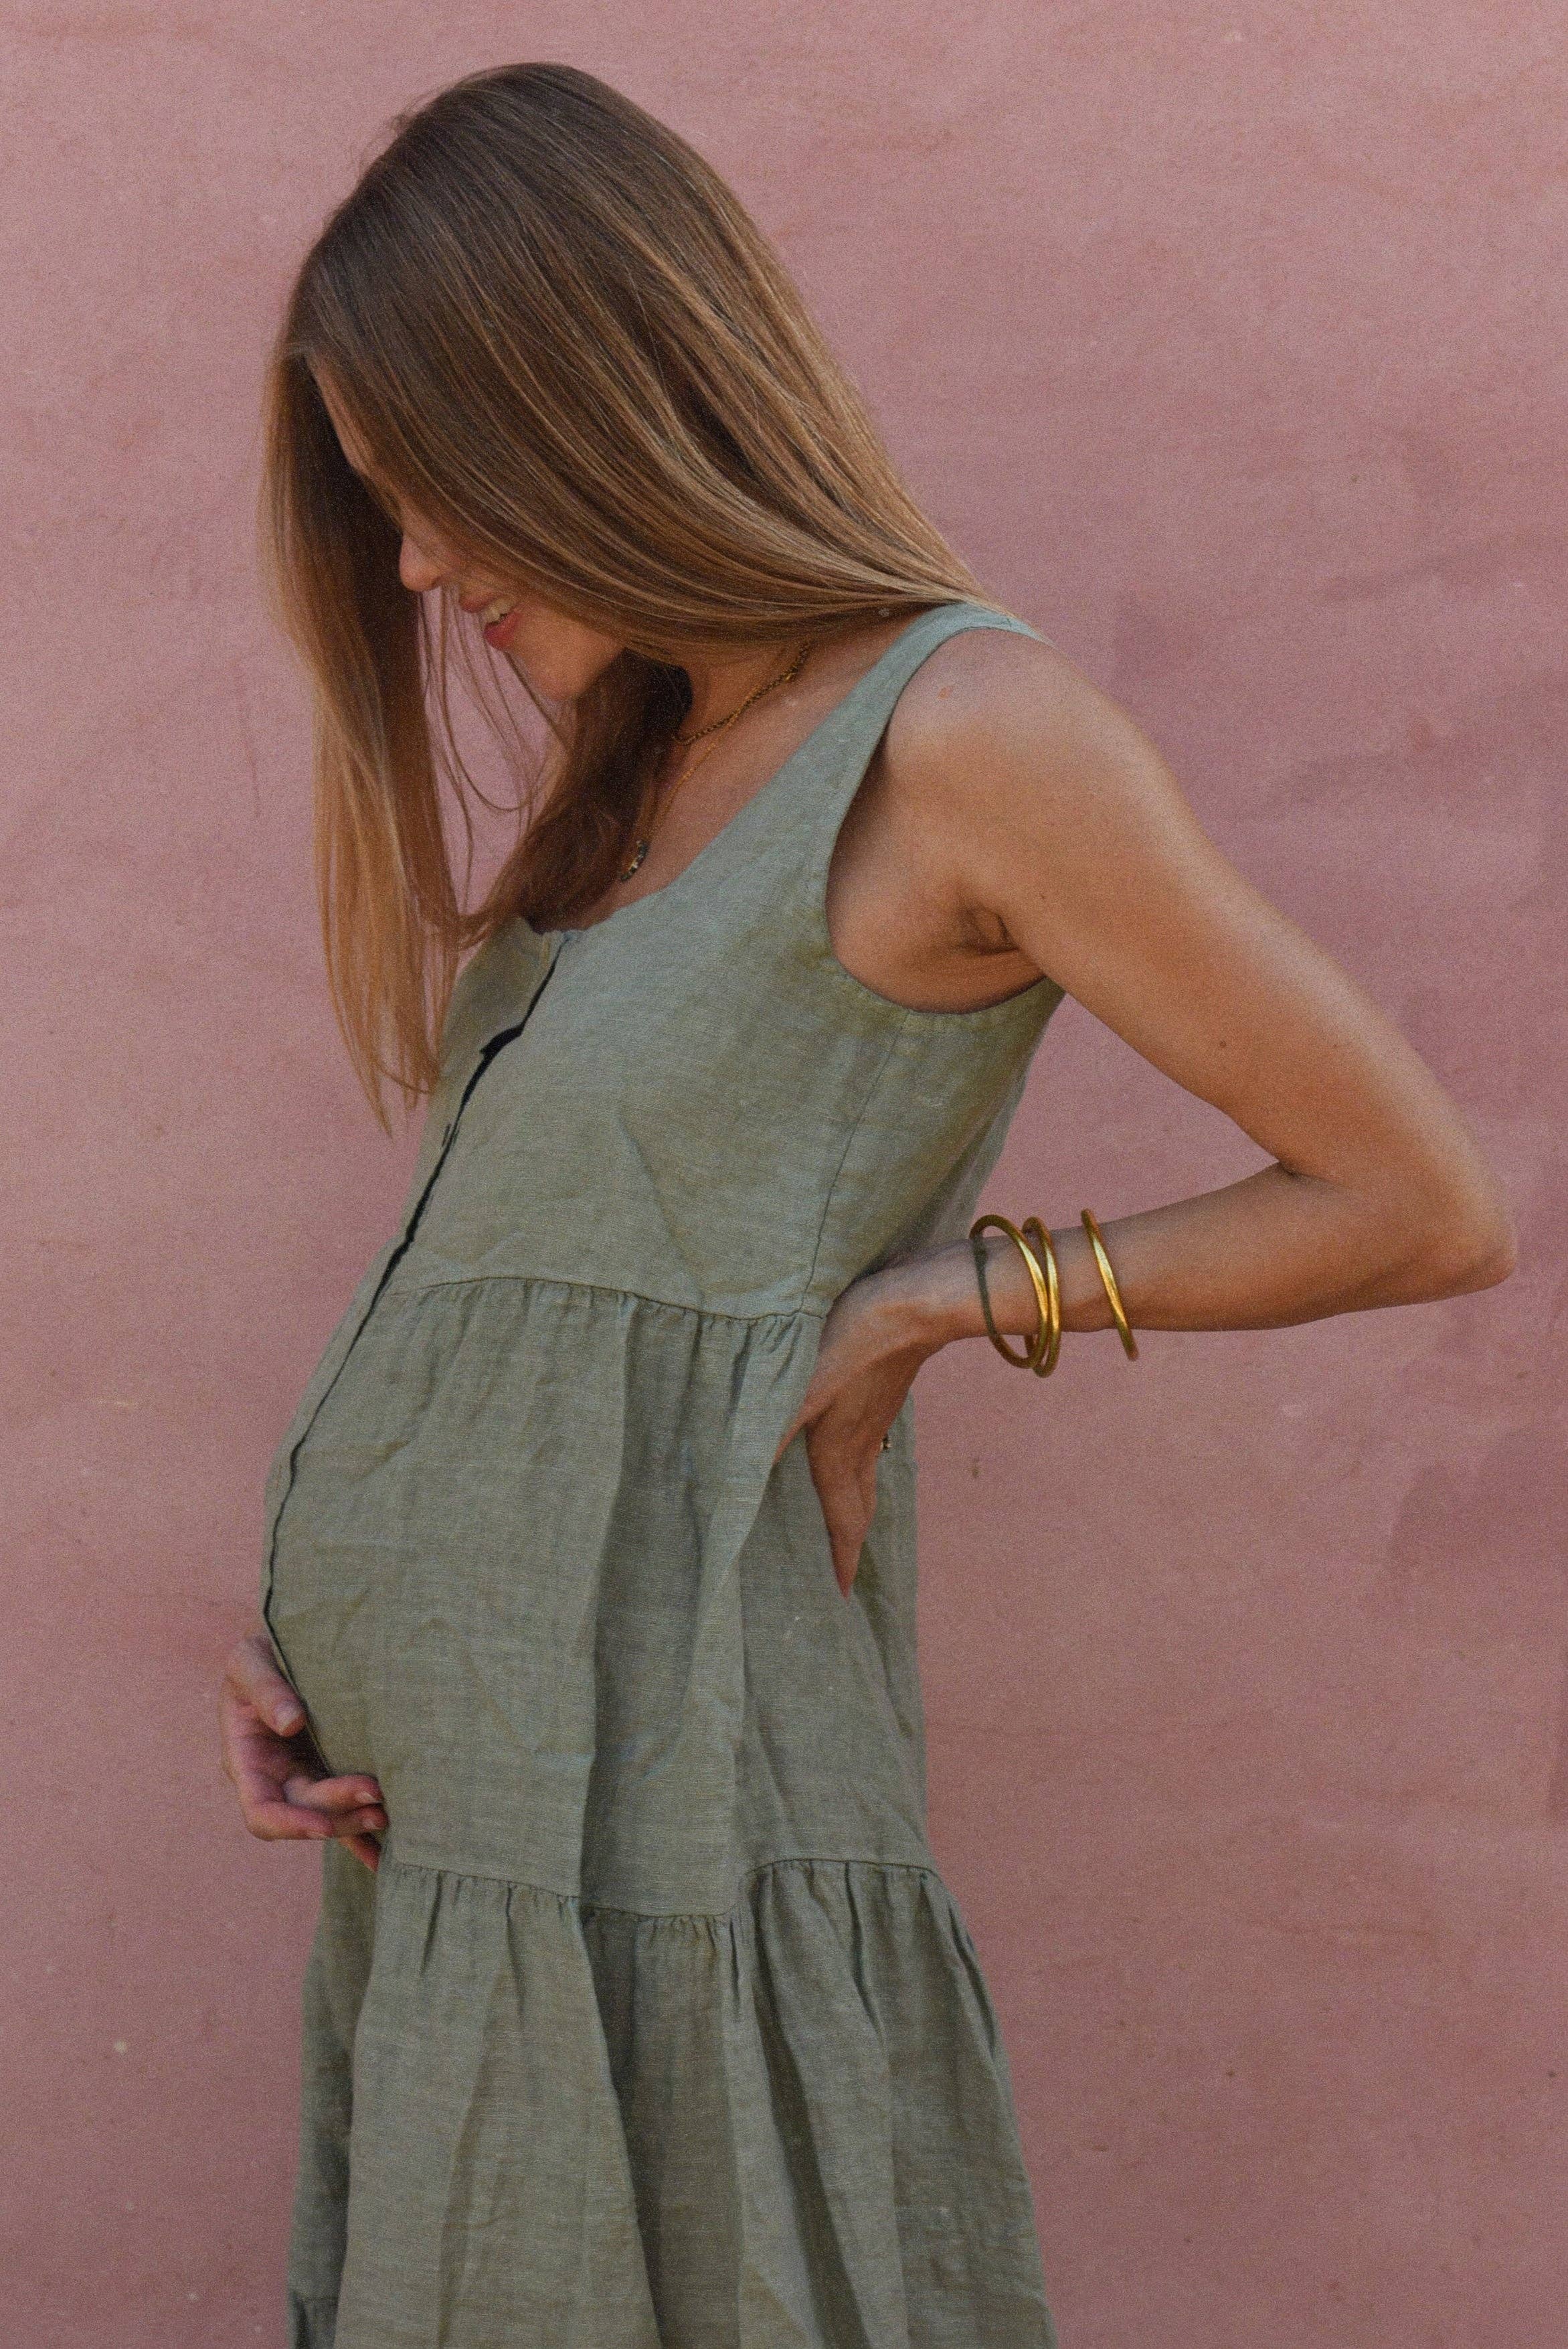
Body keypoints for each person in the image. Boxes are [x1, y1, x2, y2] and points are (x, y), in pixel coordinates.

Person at [216, 60, 1516, 2349]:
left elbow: (1416, 1201)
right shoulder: (639, 763)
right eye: (387, 511)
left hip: (674, 1800)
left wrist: (938, 1306)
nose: (416, 570)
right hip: (466, 1827)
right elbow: (527, 1281)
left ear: (591, 400)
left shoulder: (963, 734)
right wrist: (322, 1633)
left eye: (441, 491)